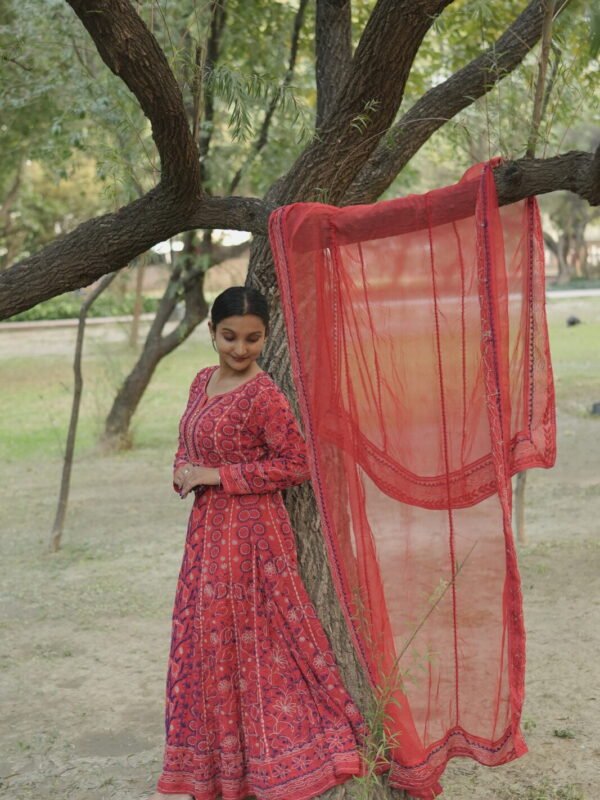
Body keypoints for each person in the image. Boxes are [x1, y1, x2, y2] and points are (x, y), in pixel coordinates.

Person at [150, 286, 366, 800]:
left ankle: (279, 756)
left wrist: (218, 475)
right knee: (207, 643)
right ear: (211, 332)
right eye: (229, 337)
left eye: (252, 339)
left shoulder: (265, 394)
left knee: (252, 643)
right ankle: (223, 764)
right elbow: (189, 439)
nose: (240, 349)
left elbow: (296, 464)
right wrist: (183, 470)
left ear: (266, 337)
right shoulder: (203, 380)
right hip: (206, 533)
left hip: (251, 532)